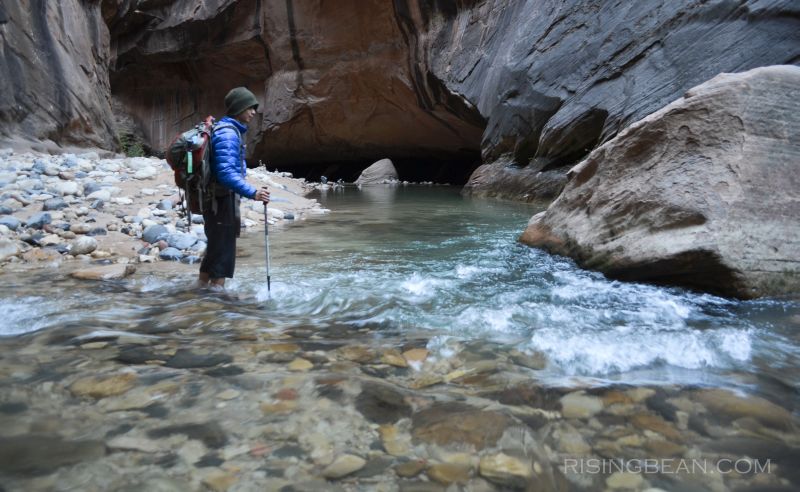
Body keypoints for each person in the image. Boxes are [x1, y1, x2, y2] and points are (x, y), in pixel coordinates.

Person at [198, 87, 270, 289]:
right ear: (238, 108)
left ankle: (201, 291)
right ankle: (218, 299)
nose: (254, 112)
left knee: (215, 247)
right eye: (250, 107)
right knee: (223, 251)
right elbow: (226, 173)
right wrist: (253, 193)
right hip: (219, 200)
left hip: (215, 198)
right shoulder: (229, 134)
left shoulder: (225, 130)